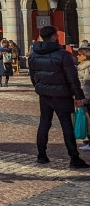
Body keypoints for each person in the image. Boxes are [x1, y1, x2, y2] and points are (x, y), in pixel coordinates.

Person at [28, 25, 88, 168]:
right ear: (54, 36)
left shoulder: (33, 55)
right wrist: (79, 96)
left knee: (44, 123)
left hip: (44, 94)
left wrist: (39, 87)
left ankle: (41, 155)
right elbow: (72, 78)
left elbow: (33, 76)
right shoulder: (63, 55)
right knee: (66, 126)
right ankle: (74, 158)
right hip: (62, 95)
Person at [77, 48, 90, 151]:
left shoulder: (87, 67)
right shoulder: (82, 67)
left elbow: (86, 85)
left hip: (87, 97)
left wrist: (84, 99)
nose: (77, 56)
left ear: (85, 56)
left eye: (79, 55)